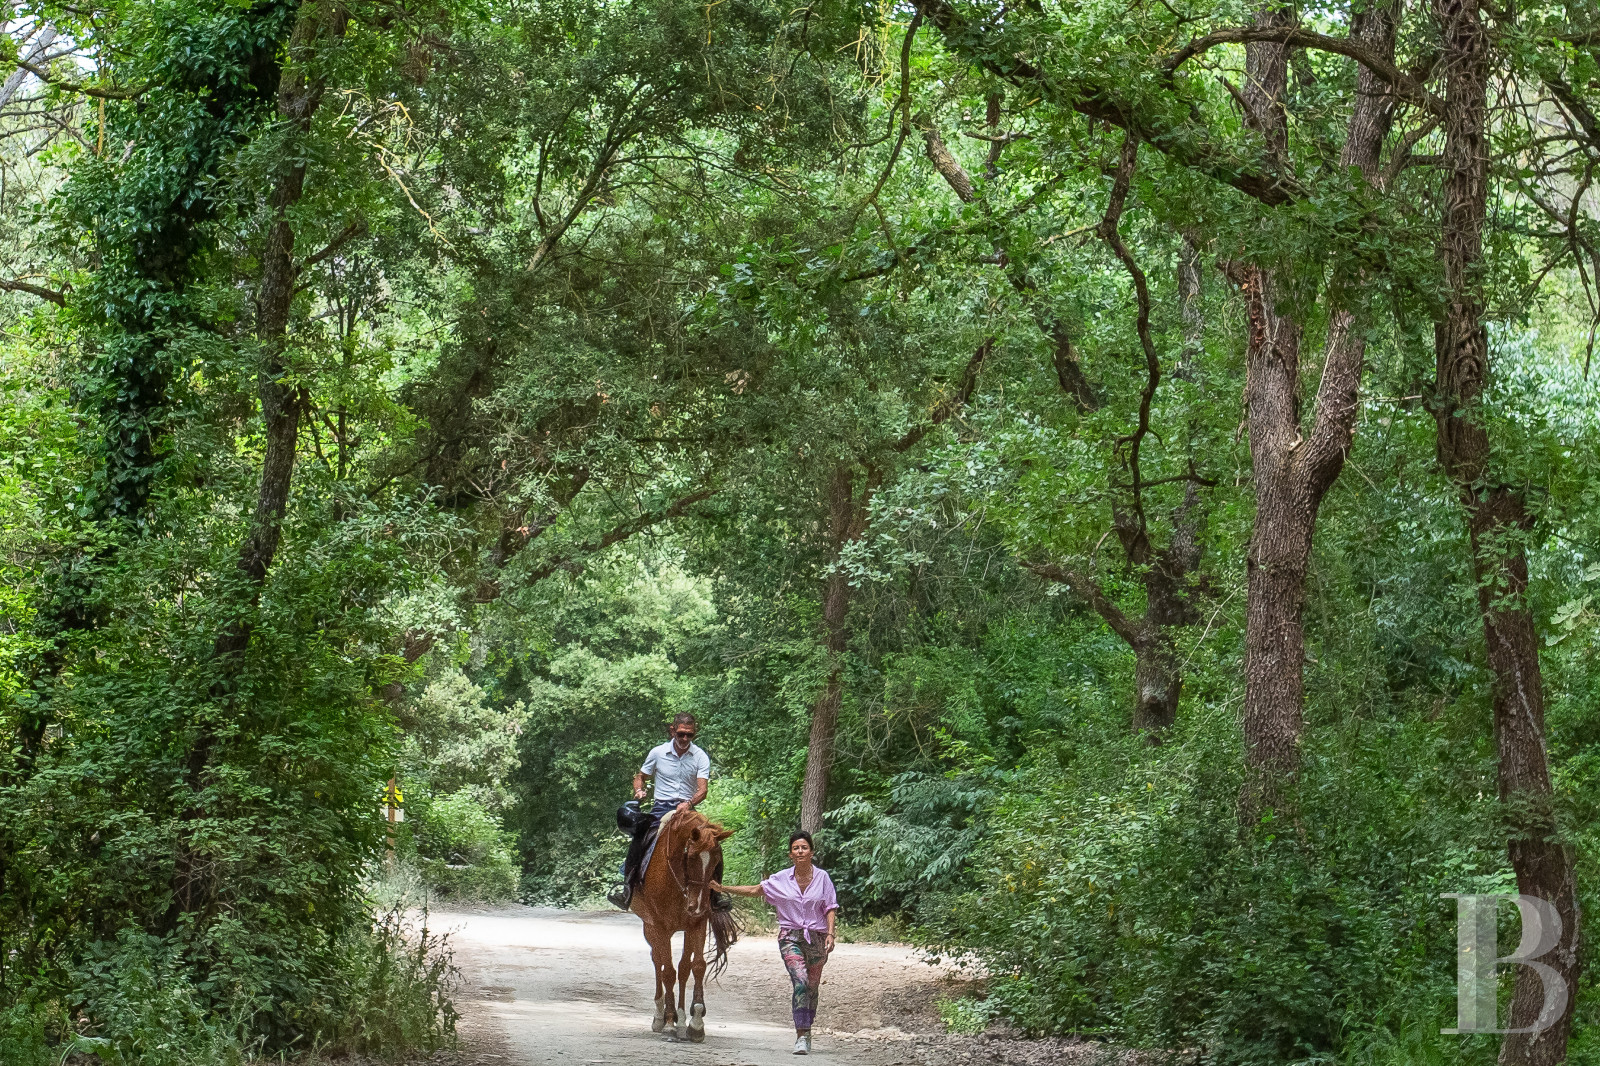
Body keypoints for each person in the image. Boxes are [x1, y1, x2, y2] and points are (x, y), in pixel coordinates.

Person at [711, 831, 838, 1056]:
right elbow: (754, 890)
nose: (800, 851)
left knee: (812, 987)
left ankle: (807, 1028)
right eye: (796, 848)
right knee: (800, 981)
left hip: (817, 939)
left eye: (804, 847)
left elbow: (830, 907)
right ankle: (802, 1035)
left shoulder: (823, 878)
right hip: (790, 938)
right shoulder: (780, 879)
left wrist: (831, 934)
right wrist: (723, 889)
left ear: (812, 852)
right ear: (790, 854)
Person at [607, 712, 710, 910]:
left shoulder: (700, 756)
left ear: (694, 734)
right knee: (641, 838)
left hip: (687, 810)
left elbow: (702, 790)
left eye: (689, 735)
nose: (685, 739)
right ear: (673, 731)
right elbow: (641, 776)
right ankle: (627, 886)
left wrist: (688, 803)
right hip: (661, 807)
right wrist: (639, 790)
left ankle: (715, 894)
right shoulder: (658, 753)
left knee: (710, 842)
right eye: (681, 734)